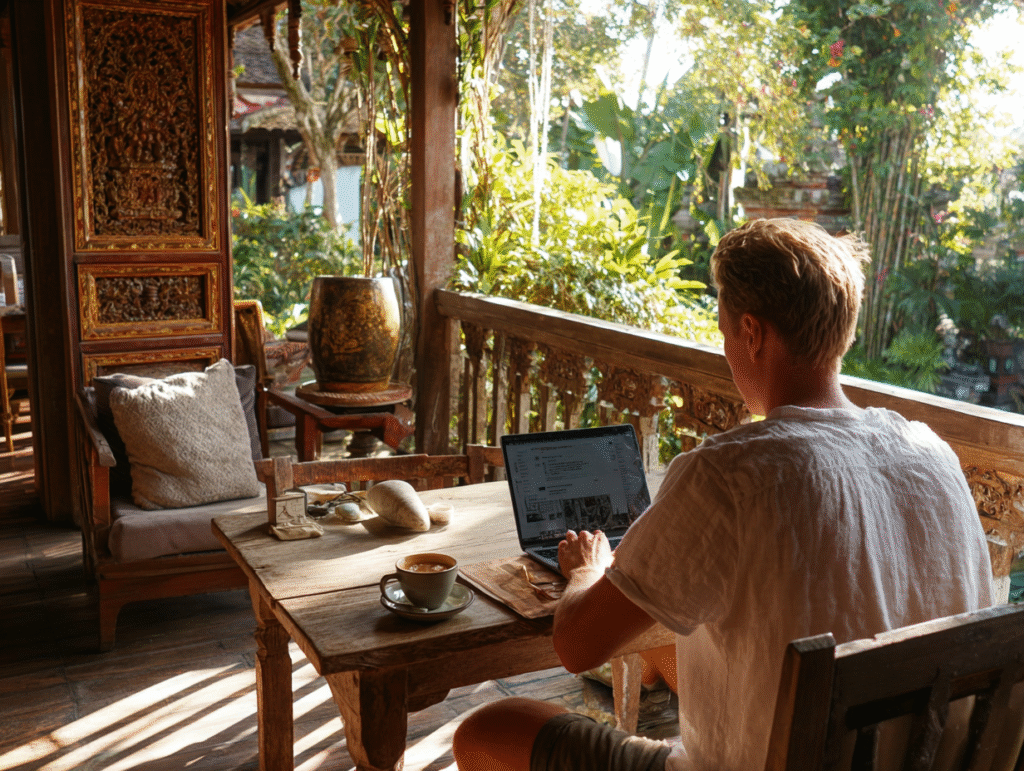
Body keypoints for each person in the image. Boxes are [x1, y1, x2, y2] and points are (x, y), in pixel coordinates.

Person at [452, 218, 994, 771]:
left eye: (725, 330)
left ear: (752, 333)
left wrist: (589, 570)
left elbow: (576, 646)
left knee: (487, 729)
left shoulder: (730, 473)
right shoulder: (932, 453)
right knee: (669, 650)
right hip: (918, 758)